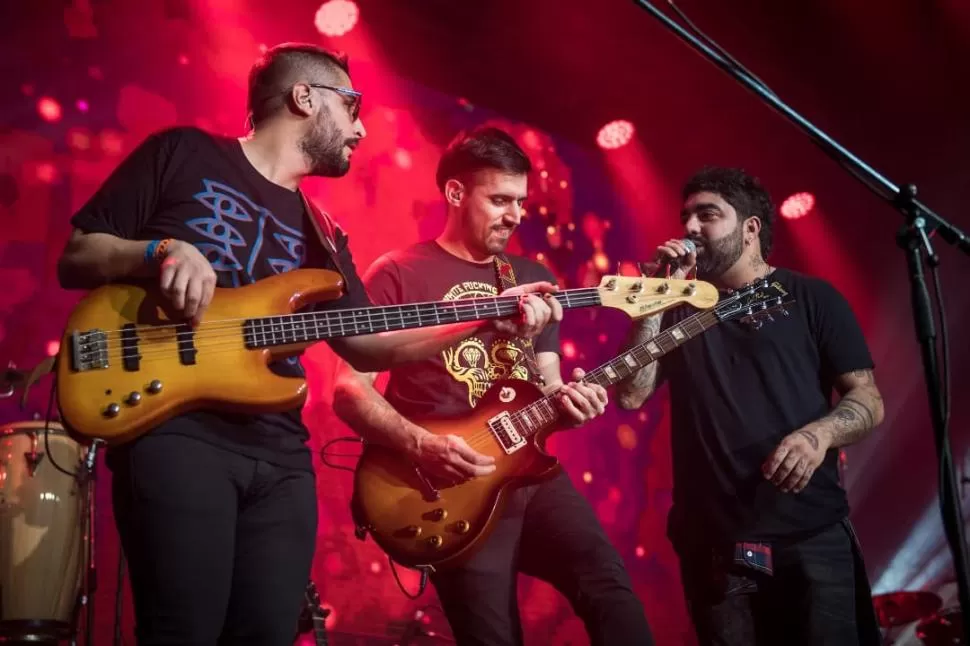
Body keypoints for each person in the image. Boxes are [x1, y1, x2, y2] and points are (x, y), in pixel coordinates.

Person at [56, 45, 559, 646]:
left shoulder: (323, 232)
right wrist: (158, 251)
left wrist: (482, 319)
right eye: (351, 106)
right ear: (305, 98)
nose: (361, 127)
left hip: (281, 459)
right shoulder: (183, 153)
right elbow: (79, 254)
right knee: (181, 630)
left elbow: (369, 346)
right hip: (177, 432)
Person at [332, 126, 654, 646]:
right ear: (456, 193)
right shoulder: (398, 271)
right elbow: (347, 389)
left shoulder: (531, 276)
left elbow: (547, 386)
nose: (516, 215)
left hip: (530, 475)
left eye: (521, 201)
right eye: (500, 199)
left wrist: (570, 401)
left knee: (609, 589)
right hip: (447, 484)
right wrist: (422, 443)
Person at [616, 166, 884, 645]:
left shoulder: (812, 298)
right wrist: (655, 296)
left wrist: (817, 435)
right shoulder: (678, 309)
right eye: (686, 218)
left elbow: (866, 398)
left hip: (810, 533)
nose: (691, 229)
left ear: (750, 228)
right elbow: (632, 392)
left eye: (708, 215)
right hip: (714, 544)